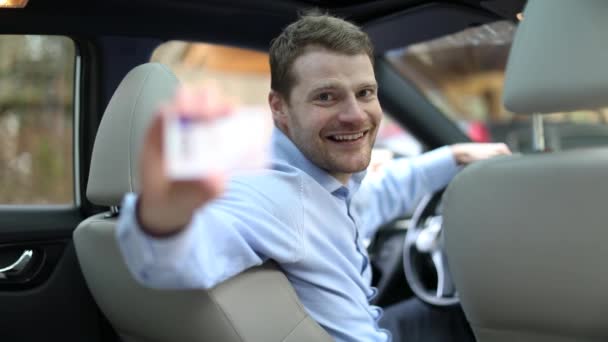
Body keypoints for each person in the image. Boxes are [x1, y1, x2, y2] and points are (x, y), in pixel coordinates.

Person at [115, 12, 511, 342]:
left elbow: (375, 195)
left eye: (365, 92)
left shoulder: (320, 181)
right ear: (279, 108)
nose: (355, 115)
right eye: (326, 96)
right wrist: (163, 216)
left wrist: (453, 156)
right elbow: (177, 260)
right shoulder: (272, 195)